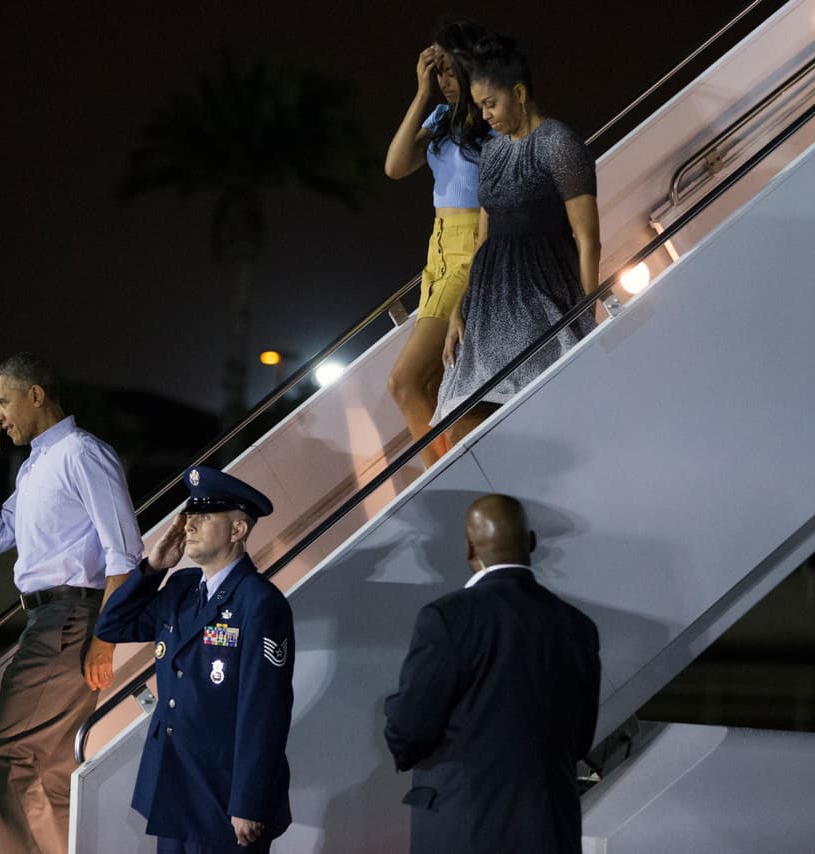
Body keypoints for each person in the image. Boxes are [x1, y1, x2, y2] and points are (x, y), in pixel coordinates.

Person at [0, 352, 144, 854]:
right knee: (48, 774)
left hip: (69, 619)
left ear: (36, 395)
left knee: (5, 758)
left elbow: (125, 554)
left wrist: (104, 642)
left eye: (3, 402)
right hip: (50, 617)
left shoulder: (83, 453)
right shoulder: (36, 464)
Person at [383, 494, 601, 854]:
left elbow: (410, 726)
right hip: (552, 831)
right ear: (530, 542)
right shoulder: (578, 626)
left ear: (469, 548)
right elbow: (579, 740)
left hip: (466, 828)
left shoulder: (447, 618)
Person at [96, 466, 295, 853]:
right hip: (174, 787)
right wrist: (152, 568)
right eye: (189, 515)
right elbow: (112, 626)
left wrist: (248, 802)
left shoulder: (259, 602)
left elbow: (265, 711)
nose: (189, 525)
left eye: (205, 517)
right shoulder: (182, 589)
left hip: (224, 797)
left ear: (237, 531)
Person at [431, 34, 601, 443]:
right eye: (480, 106)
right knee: (465, 430)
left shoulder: (559, 144)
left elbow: (588, 238)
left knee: (537, 421)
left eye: (491, 104)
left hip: (541, 296)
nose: (485, 115)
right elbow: (483, 238)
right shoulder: (491, 153)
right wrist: (458, 309)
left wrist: (589, 312)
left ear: (520, 93)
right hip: (488, 301)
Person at [384, 16, 490, 467]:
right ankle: (459, 476)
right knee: (430, 385)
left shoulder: (492, 120)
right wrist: (421, 92)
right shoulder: (443, 118)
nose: (443, 79)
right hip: (439, 249)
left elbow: (492, 216)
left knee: (404, 381)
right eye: (437, 70)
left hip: (469, 248)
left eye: (449, 69)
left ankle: (445, 479)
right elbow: (395, 166)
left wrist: (467, 298)